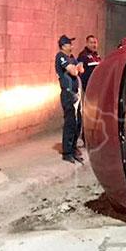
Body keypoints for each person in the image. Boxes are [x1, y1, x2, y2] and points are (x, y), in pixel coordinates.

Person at [55, 35, 84, 164]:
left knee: (78, 122)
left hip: (76, 94)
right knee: (70, 122)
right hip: (67, 94)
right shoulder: (60, 56)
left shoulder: (71, 57)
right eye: (69, 44)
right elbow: (74, 72)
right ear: (63, 46)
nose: (72, 47)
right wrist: (75, 68)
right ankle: (67, 152)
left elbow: (80, 69)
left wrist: (76, 67)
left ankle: (73, 148)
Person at [76, 35, 102, 147]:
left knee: (96, 116)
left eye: (95, 42)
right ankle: (85, 138)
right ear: (87, 43)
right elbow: (80, 72)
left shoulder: (97, 56)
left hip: (97, 90)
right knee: (88, 115)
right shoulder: (83, 56)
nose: (94, 45)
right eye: (91, 42)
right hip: (88, 89)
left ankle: (93, 137)